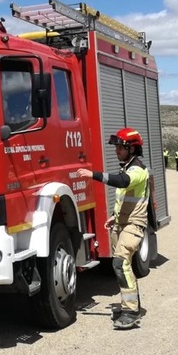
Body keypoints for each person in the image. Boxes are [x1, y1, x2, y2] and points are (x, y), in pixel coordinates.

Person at [75, 127, 150, 330]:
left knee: (119, 263)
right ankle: (130, 303)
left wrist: (93, 174)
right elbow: (126, 198)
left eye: (121, 147)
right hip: (121, 223)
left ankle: (131, 311)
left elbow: (122, 183)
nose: (117, 150)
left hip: (134, 224)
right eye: (116, 147)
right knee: (122, 265)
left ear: (132, 149)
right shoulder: (127, 167)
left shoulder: (138, 170)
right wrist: (114, 217)